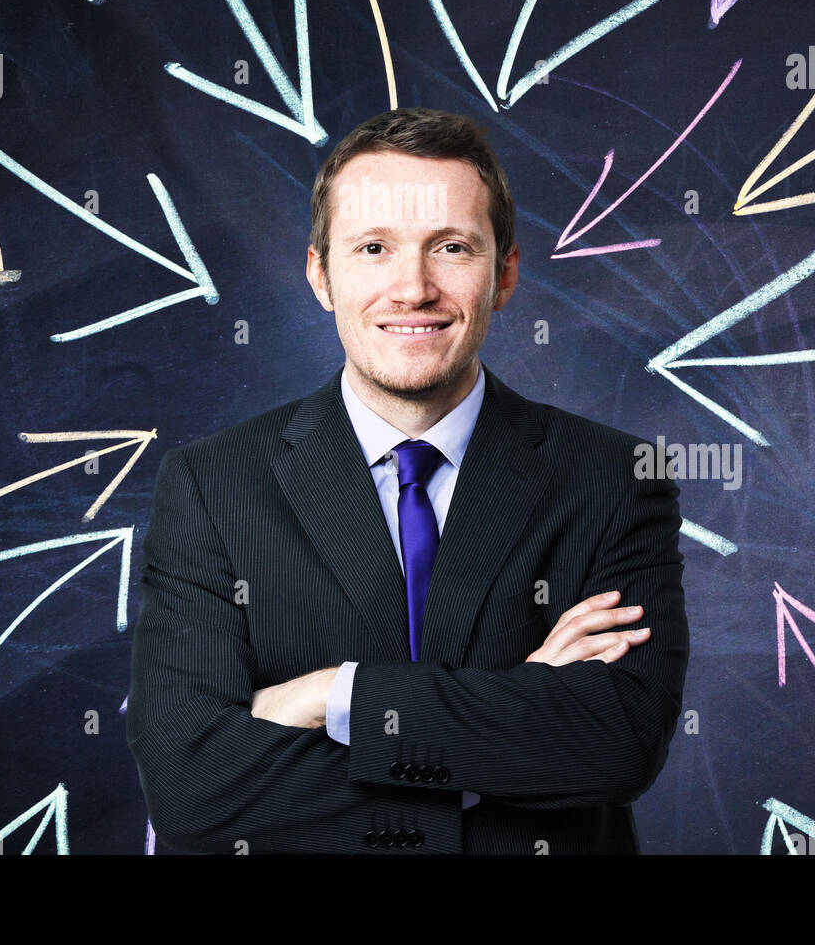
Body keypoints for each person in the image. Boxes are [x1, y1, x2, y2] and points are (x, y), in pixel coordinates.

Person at [127, 107, 689, 854]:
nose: (413, 288)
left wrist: (331, 694)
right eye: (373, 248)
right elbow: (192, 786)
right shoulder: (212, 487)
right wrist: (501, 738)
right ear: (321, 275)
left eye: (451, 247)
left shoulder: (614, 479)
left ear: (505, 275)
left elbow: (615, 743)